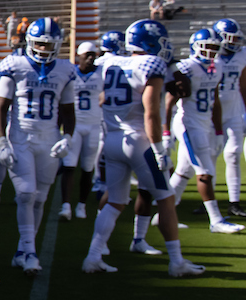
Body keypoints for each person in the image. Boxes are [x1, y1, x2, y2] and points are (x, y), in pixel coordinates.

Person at [82, 20, 204, 276]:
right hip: (139, 142)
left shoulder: (111, 61)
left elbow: (104, 98)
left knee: (114, 202)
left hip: (113, 139)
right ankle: (177, 262)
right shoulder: (151, 63)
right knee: (166, 199)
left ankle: (93, 256)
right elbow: (151, 113)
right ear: (150, 42)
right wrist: (159, 149)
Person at [0, 18, 76, 274]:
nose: (43, 49)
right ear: (30, 41)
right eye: (39, 43)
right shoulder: (15, 65)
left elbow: (68, 110)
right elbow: (0, 107)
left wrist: (68, 137)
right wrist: (2, 140)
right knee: (26, 194)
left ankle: (23, 249)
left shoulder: (65, 69)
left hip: (49, 139)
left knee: (39, 198)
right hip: (21, 137)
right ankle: (30, 251)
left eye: (49, 44)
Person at [167, 29, 242, 232]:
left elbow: (215, 100)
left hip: (204, 123)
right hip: (188, 123)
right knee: (205, 172)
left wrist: (218, 131)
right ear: (196, 46)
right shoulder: (186, 67)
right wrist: (166, 133)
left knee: (183, 172)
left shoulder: (217, 66)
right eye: (207, 47)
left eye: (215, 48)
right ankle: (216, 220)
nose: (211, 52)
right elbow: (169, 101)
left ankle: (161, 215)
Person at [58, 42, 104, 220]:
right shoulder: (70, 72)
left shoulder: (101, 72)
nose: (91, 57)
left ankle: (82, 205)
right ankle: (66, 206)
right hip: (75, 126)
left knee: (87, 167)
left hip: (94, 126)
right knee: (69, 165)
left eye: (93, 54)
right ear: (79, 56)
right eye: (88, 54)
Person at [212, 18, 246, 216]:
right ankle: (208, 199)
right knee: (210, 156)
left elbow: (243, 84)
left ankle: (234, 202)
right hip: (211, 111)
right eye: (230, 39)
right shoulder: (208, 55)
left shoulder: (242, 55)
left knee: (233, 155)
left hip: (233, 110)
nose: (234, 44)